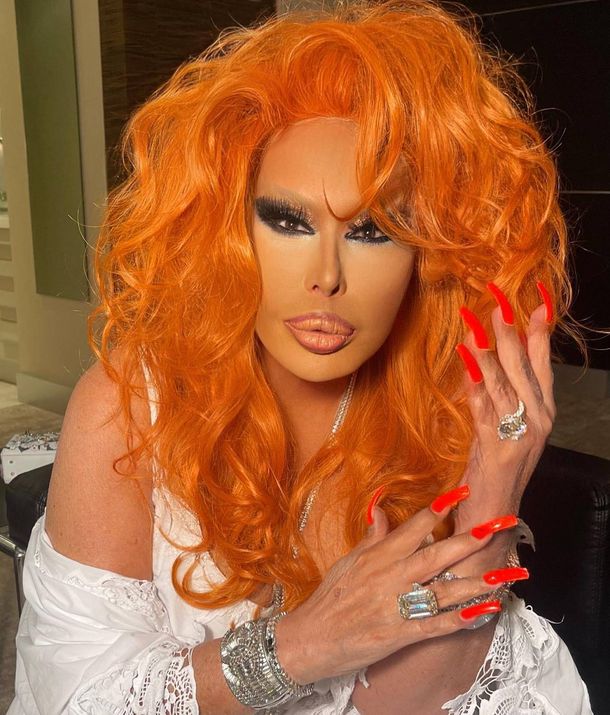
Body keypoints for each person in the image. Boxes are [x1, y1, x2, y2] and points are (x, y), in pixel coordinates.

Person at [9, 1, 593, 713]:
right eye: (287, 220)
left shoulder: (439, 408)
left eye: (372, 231)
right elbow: (78, 700)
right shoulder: (128, 405)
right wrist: (304, 645)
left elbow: (407, 703)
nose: (327, 276)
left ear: (426, 256)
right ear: (229, 226)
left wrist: (493, 494)